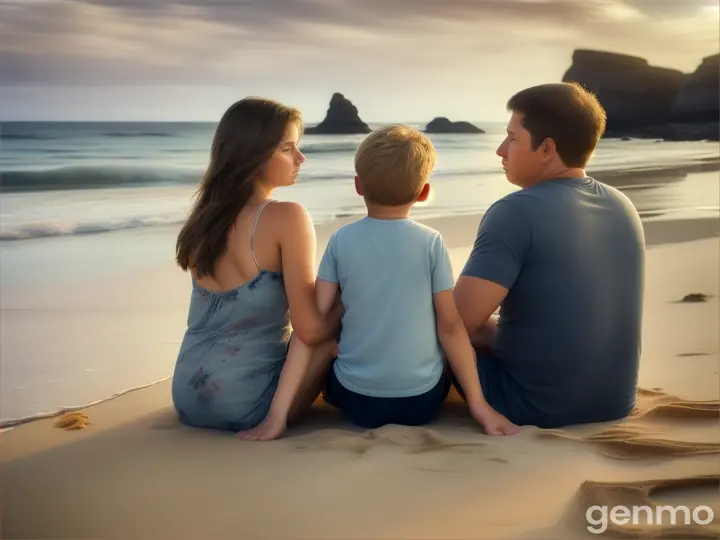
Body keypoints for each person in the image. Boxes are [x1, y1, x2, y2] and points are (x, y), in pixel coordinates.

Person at [454, 82, 645, 429]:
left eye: (512, 138)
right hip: (614, 403)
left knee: (434, 336)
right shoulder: (623, 205)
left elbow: (455, 323)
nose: (501, 150)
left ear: (546, 148)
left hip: (531, 407)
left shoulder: (514, 213)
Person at [315, 125, 520, 435]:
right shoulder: (431, 242)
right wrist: (479, 405)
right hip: (421, 403)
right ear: (424, 192)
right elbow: (450, 326)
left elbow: (320, 311)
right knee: (445, 340)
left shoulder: (341, 240)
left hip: (357, 402)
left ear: (358, 186)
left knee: (329, 362)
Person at [172, 97, 342, 441]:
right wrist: (343, 304)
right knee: (334, 330)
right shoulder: (286, 216)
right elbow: (310, 331)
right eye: (287, 148)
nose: (300, 158)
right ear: (254, 154)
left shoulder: (203, 220)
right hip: (248, 404)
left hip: (188, 396)